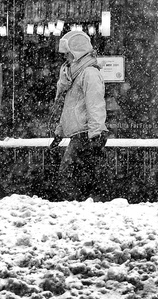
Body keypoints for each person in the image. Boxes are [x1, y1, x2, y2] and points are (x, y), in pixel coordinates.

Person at [48, 30, 109, 201]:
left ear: (76, 53)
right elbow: (69, 107)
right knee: (79, 175)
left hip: (85, 134)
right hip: (80, 134)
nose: (65, 56)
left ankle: (76, 206)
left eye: (68, 53)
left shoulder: (89, 73)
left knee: (67, 174)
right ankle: (82, 204)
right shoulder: (74, 74)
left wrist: (96, 133)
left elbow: (95, 104)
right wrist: (59, 133)